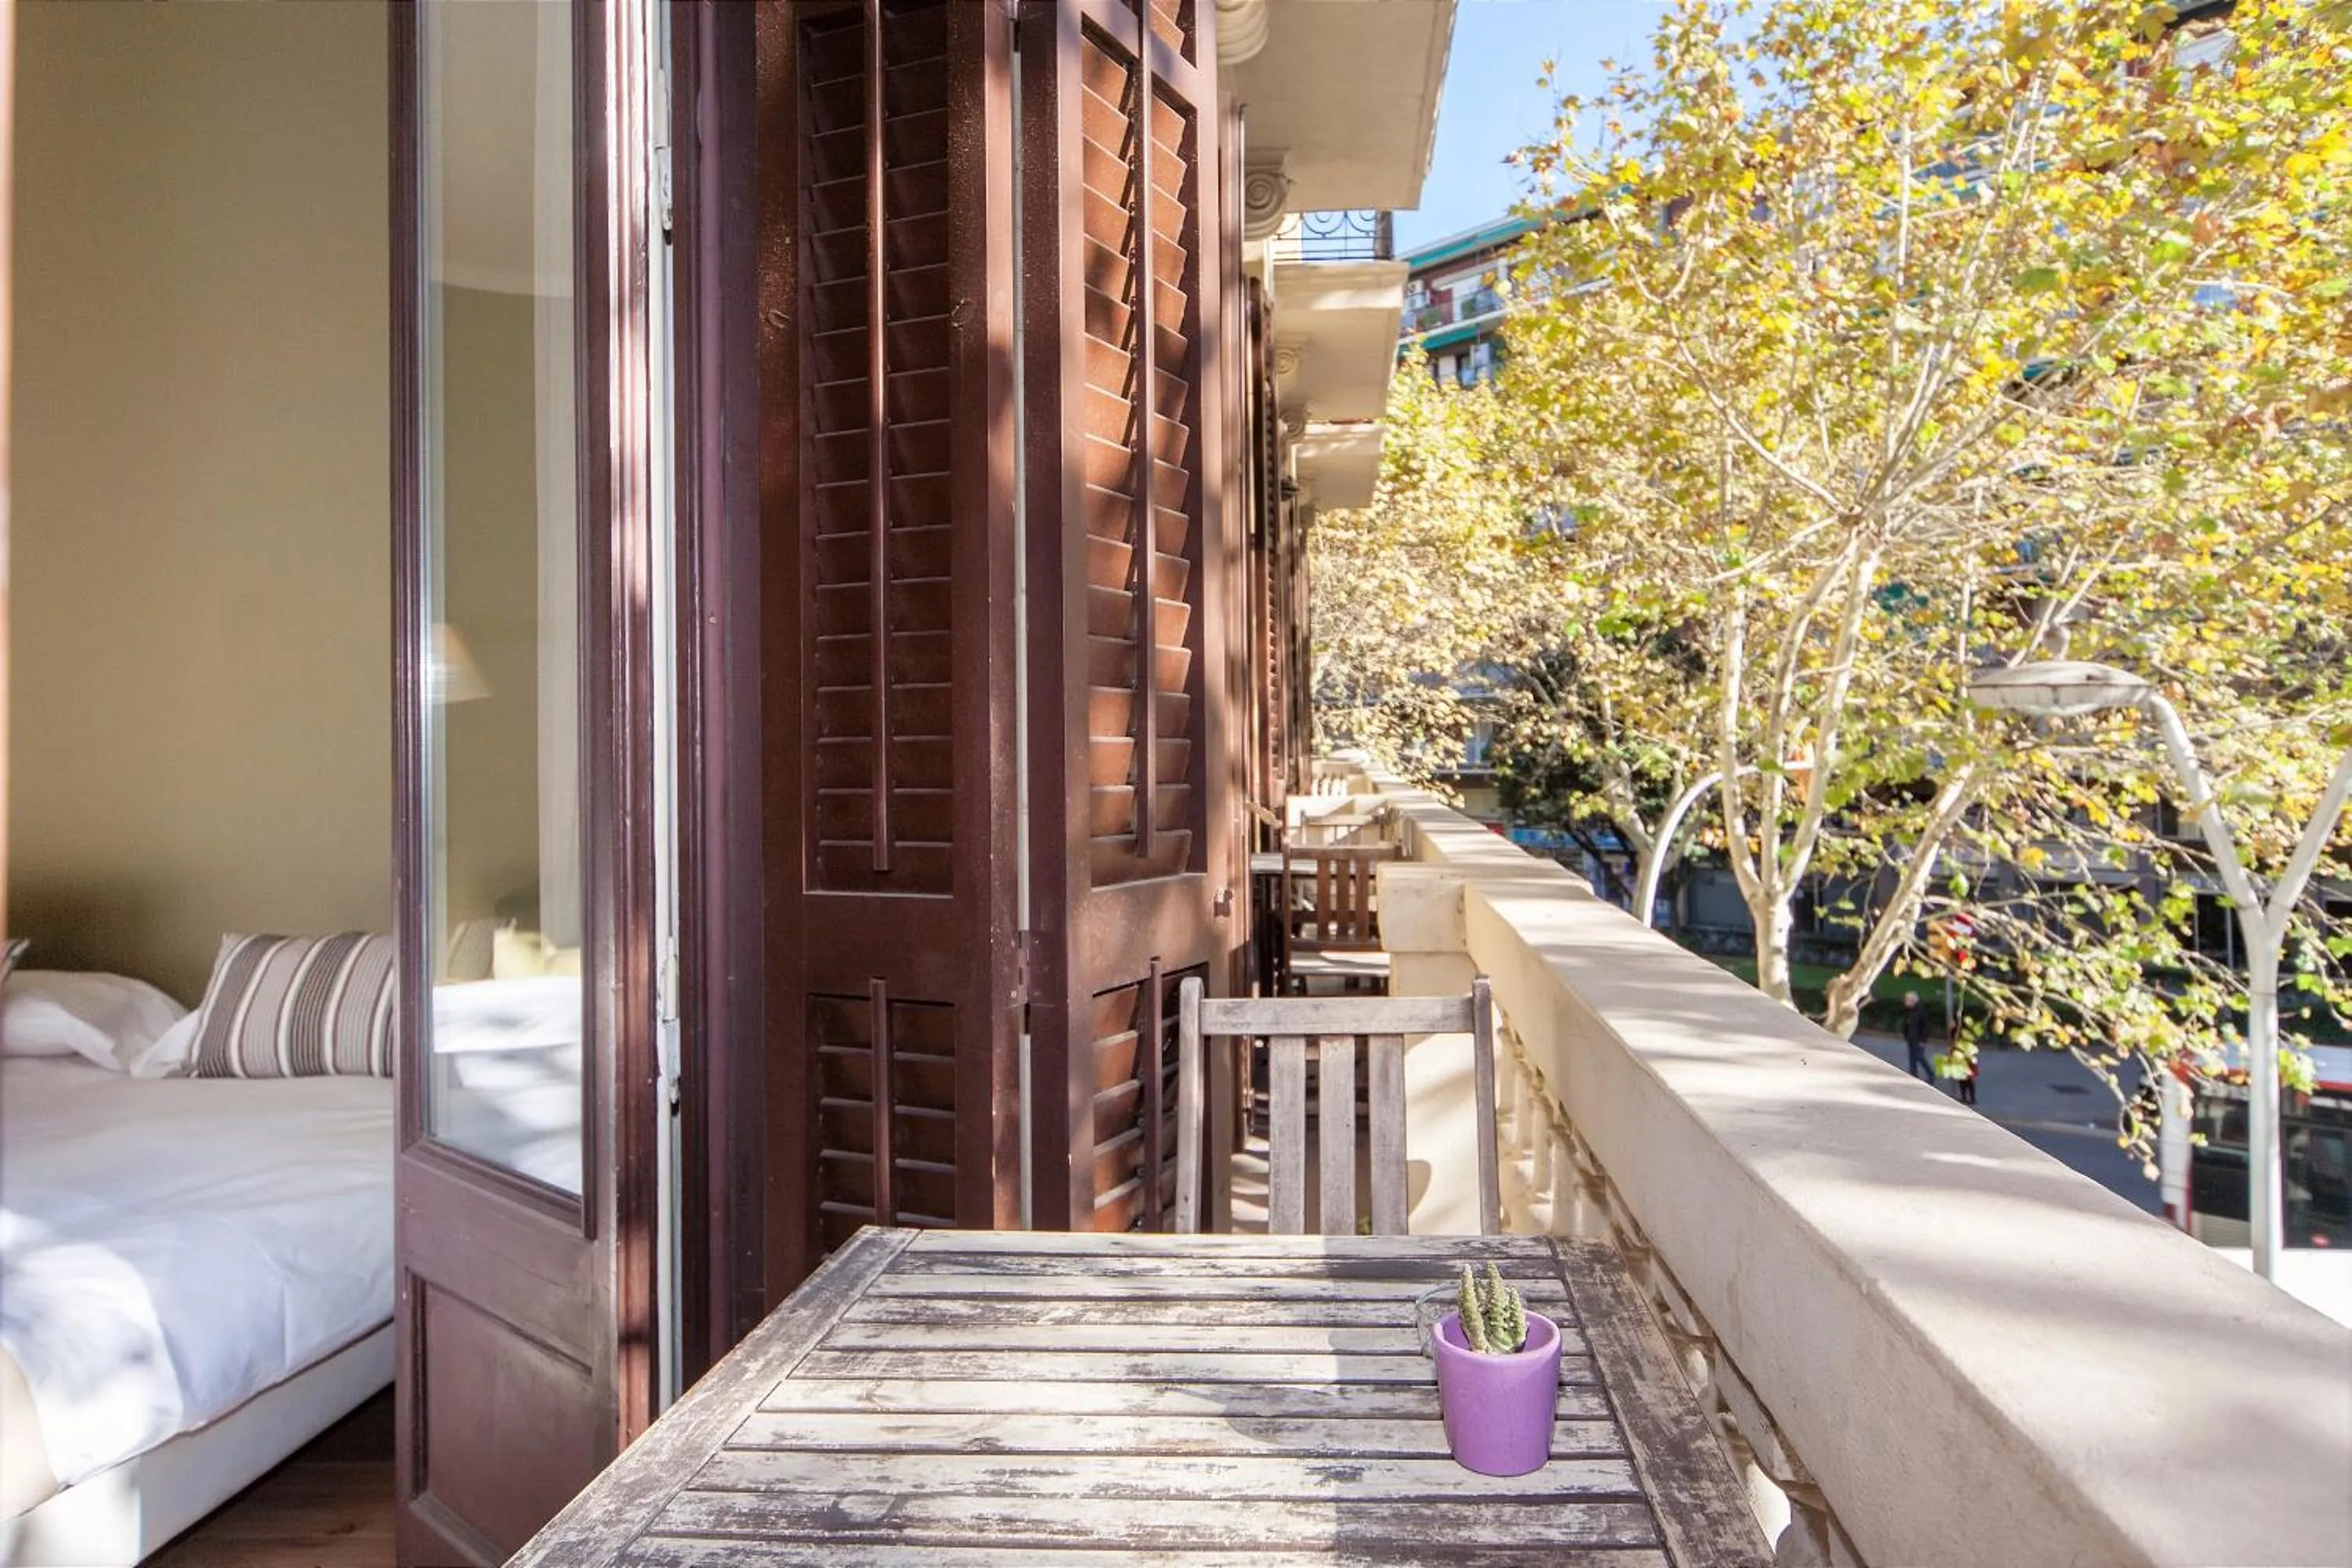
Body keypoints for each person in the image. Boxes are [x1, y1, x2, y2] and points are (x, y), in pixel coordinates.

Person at [1900, 991, 1933, 1082]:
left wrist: (1923, 1040)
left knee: (1919, 1057)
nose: (1905, 1002)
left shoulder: (1920, 1010)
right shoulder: (1910, 1010)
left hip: (1918, 1039)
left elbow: (1926, 1026)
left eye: (1907, 1000)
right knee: (1912, 1058)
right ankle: (1913, 1076)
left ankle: (1931, 1075)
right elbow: (1907, 1023)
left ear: (1913, 1000)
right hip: (1911, 1039)